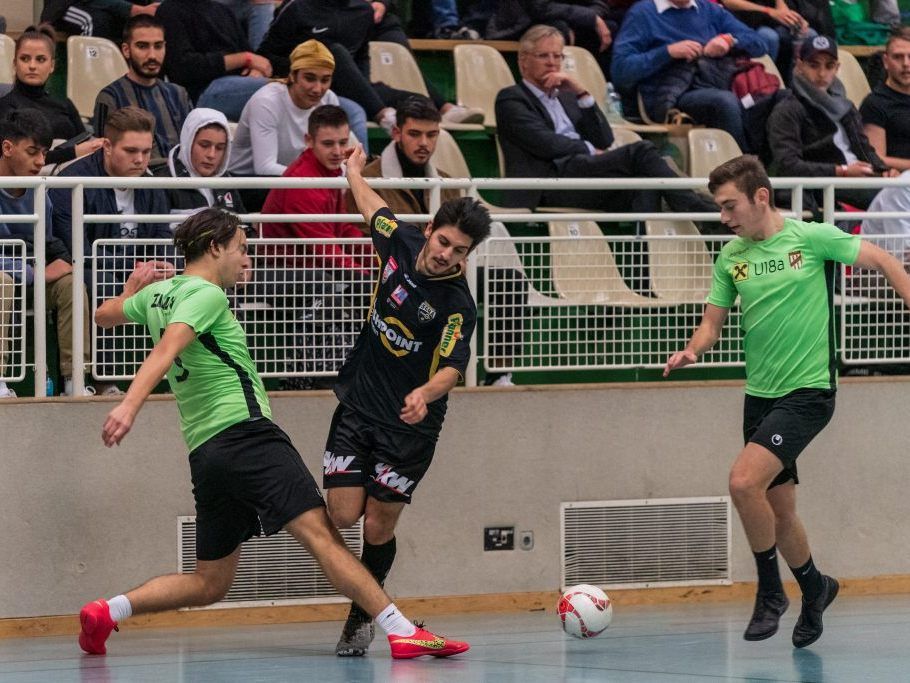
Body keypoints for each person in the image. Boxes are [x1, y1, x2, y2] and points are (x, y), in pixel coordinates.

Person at [79, 207, 470, 660]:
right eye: (241, 248)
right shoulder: (207, 295)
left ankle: (106, 611)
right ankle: (402, 632)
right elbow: (167, 349)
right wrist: (129, 405)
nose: (247, 259)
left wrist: (131, 291)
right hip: (248, 437)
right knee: (322, 535)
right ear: (214, 248)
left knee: (209, 583)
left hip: (205, 452)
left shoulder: (159, 294)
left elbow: (103, 316)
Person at [664, 154, 910, 648]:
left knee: (742, 482)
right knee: (779, 511)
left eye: (730, 205)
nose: (724, 217)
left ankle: (771, 592)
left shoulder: (811, 238)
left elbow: (884, 260)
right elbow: (712, 323)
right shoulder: (732, 257)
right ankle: (816, 588)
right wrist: (693, 349)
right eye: (720, 207)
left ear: (761, 196)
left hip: (809, 392)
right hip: (761, 396)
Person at [325, 143, 491, 657]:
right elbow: (372, 206)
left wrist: (424, 392)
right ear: (431, 229)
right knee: (342, 514)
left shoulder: (457, 305)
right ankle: (382, 612)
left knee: (377, 524)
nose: (446, 255)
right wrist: (353, 170)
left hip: (410, 426)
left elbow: (452, 368)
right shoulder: (399, 240)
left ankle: (362, 619)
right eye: (443, 242)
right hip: (358, 404)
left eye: (459, 251)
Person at [496, 25, 718, 221]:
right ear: (523, 61)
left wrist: (582, 94)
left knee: (645, 183)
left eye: (557, 56)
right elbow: (547, 144)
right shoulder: (511, 99)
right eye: (543, 56)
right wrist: (590, 150)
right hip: (550, 183)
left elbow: (604, 139)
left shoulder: (567, 96)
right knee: (641, 151)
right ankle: (699, 211)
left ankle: (645, 256)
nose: (552, 63)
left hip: (584, 175)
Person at [257, 0, 483, 129]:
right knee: (334, 52)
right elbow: (266, 55)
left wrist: (362, 84)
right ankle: (382, 115)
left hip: (351, 86)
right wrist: (304, 70)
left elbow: (362, 55)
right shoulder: (297, 7)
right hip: (307, 85)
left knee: (418, 102)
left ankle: (440, 113)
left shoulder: (363, 11)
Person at [0, 109, 92, 397]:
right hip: (12, 280)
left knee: (71, 285)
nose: (41, 161)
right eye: (32, 152)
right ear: (7, 148)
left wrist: (65, 260)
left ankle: (74, 380)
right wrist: (32, 274)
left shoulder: (41, 193)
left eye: (44, 153)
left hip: (30, 280)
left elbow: (49, 241)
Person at [610, 0, 766, 152]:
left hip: (714, 80)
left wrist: (730, 40)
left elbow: (760, 45)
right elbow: (620, 70)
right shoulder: (643, 12)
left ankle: (764, 161)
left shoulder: (709, 9)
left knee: (770, 96)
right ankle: (744, 164)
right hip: (668, 93)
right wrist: (667, 52)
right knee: (724, 102)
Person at [767, 35, 897, 212]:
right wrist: (841, 170)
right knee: (895, 198)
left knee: (900, 189)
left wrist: (885, 170)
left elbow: (865, 149)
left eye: (829, 66)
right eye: (814, 65)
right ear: (800, 65)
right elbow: (788, 165)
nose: (822, 74)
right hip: (822, 187)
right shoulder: (787, 110)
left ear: (837, 68)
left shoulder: (846, 106)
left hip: (857, 178)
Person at [229, 40, 368, 178]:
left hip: (300, 179)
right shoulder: (266, 102)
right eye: (310, 78)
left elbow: (337, 161)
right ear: (292, 75)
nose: (318, 89)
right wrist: (316, 177)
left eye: (325, 80)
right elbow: (265, 168)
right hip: (248, 182)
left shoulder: (329, 99)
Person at [93, 15, 192, 166]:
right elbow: (103, 157)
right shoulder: (110, 97)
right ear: (126, 50)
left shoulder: (179, 94)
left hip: (182, 176)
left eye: (158, 46)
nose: (152, 55)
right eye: (142, 46)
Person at [0, 24, 104, 167]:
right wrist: (73, 152)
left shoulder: (65, 104)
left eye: (40, 59)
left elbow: (84, 142)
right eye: (25, 58)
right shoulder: (5, 106)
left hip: (74, 173)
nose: (32, 66)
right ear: (14, 63)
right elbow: (13, 157)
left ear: (52, 65)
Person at [156, 0, 273, 122]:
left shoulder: (222, 10)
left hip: (239, 83)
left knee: (277, 91)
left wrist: (255, 70)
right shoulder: (170, 10)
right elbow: (184, 67)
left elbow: (251, 55)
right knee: (278, 91)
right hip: (201, 91)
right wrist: (244, 59)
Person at [486, 0, 620, 77]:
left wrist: (589, 17)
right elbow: (540, 7)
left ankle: (595, 94)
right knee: (559, 30)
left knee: (609, 28)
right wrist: (588, 17)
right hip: (520, 22)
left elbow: (599, 4)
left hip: (566, 19)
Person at [153, 108, 246, 215]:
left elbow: (244, 223)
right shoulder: (163, 183)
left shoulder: (226, 182)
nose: (211, 155)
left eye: (220, 148)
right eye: (204, 145)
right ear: (188, 144)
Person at [861, 26, 910, 173]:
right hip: (899, 181)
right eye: (898, 57)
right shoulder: (875, 104)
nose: (906, 64)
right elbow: (876, 158)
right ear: (886, 61)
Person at [40, 0, 159, 43]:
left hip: (116, 7)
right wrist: (134, 10)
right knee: (94, 22)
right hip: (67, 5)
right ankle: (90, 79)